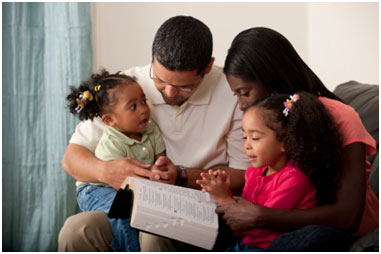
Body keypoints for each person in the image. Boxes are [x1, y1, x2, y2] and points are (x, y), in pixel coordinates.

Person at [58, 16, 250, 251]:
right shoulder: (129, 87)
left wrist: (182, 176)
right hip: (140, 203)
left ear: (207, 67)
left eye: (183, 86)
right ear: (153, 59)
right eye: (160, 80)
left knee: (154, 233)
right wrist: (108, 171)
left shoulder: (231, 92)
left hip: (198, 208)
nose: (169, 93)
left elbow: (243, 175)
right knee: (77, 230)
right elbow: (71, 159)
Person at [217, 27, 378, 251]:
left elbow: (348, 217)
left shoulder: (341, 117)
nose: (241, 105)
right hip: (283, 225)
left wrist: (261, 216)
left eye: (245, 93)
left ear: (271, 79)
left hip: (343, 233)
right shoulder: (269, 125)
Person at [198, 92, 344, 251]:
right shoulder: (254, 172)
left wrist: (225, 199)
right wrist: (222, 192)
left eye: (254, 138)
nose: (246, 145)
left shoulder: (295, 179)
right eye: (244, 137)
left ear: (285, 142)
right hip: (246, 242)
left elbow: (255, 223)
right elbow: (245, 215)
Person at [65, 70, 166, 251]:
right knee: (121, 212)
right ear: (110, 120)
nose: (143, 109)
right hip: (96, 189)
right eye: (133, 107)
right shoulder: (111, 142)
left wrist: (162, 168)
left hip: (127, 189)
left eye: (144, 101)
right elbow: (117, 182)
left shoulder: (151, 129)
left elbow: (161, 159)